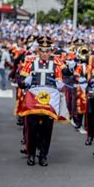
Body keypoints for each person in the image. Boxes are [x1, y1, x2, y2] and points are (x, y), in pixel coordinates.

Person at [18, 36, 65, 166]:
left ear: (50, 52)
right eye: (42, 51)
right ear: (38, 51)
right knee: (32, 129)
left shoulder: (56, 66)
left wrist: (60, 85)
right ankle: (31, 154)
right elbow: (20, 81)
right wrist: (24, 82)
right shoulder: (30, 63)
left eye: (47, 51)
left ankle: (43, 156)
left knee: (46, 129)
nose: (44, 53)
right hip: (33, 101)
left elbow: (60, 83)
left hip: (49, 102)